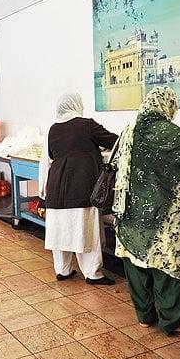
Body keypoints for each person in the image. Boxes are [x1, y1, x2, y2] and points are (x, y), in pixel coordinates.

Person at [112, 86, 180, 335]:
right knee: (167, 266)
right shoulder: (168, 133)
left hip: (131, 214)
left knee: (136, 265)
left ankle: (144, 316)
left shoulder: (129, 131)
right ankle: (170, 320)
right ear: (168, 105)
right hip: (162, 217)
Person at [38, 92, 118, 285]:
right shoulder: (86, 125)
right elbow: (115, 141)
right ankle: (93, 273)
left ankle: (63, 270)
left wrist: (43, 192)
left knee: (60, 229)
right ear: (76, 105)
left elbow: (47, 157)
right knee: (87, 230)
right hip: (81, 185)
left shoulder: (52, 130)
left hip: (56, 187)